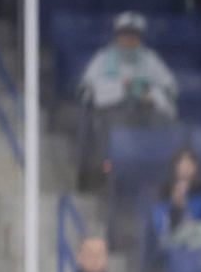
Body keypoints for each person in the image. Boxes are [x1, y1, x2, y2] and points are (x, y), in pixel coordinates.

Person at [76, 12, 180, 186]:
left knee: (165, 121)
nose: (129, 39)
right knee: (117, 128)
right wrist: (121, 88)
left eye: (134, 35)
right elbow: (86, 91)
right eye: (125, 34)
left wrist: (151, 95)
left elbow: (170, 87)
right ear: (117, 35)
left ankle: (159, 175)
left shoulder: (150, 59)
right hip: (112, 111)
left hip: (144, 111)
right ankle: (112, 175)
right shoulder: (103, 58)